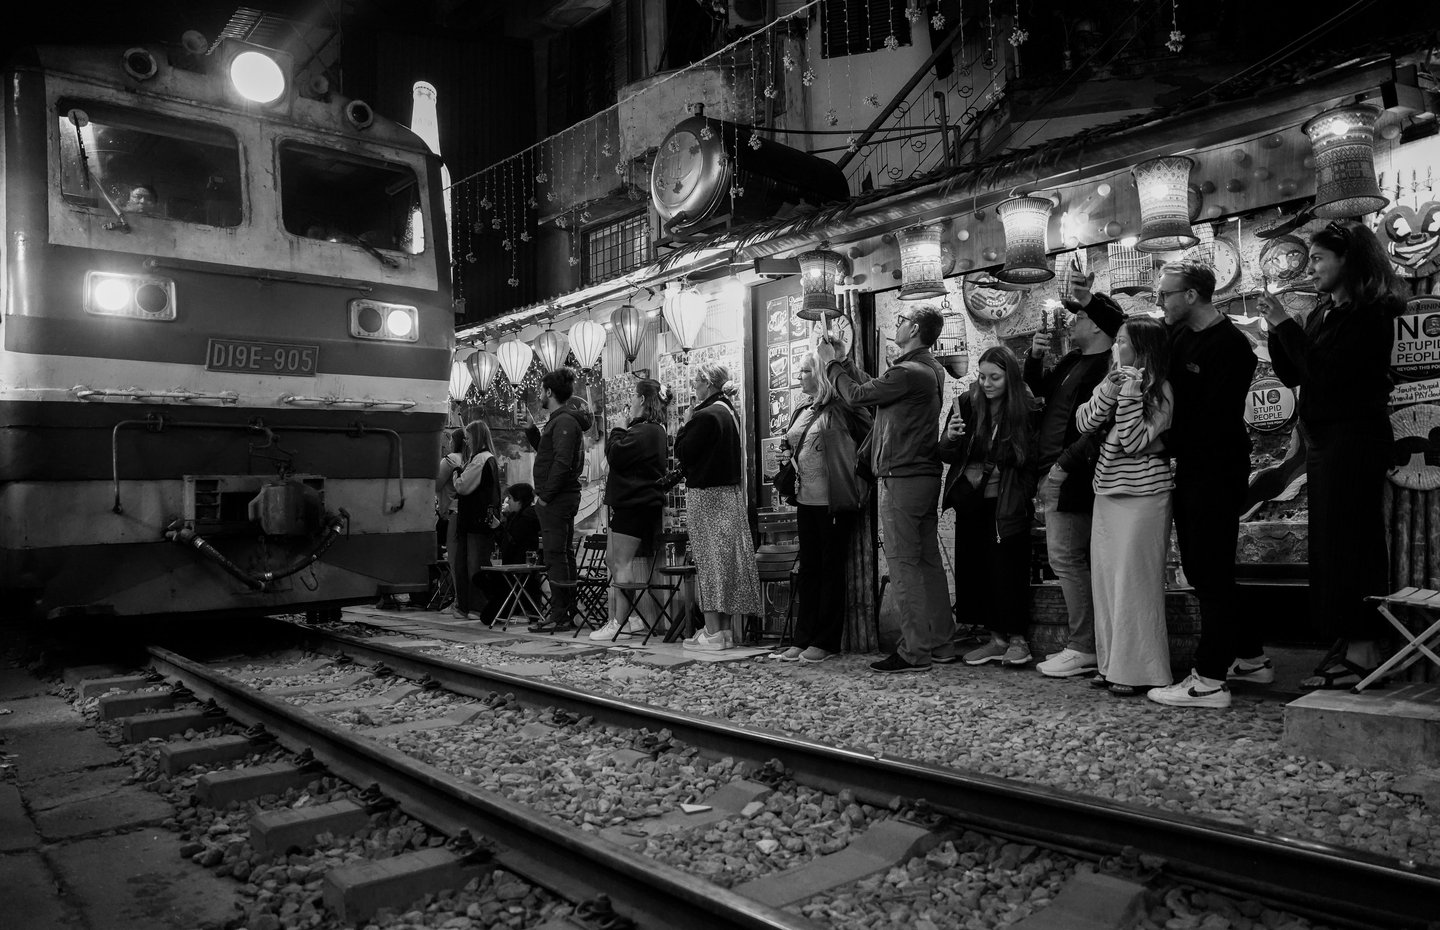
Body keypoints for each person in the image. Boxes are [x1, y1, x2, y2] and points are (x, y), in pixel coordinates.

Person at [1261, 220, 1403, 689]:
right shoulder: (1323, 313)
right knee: (1329, 545)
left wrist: (1286, 324)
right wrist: (1276, 330)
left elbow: (1327, 373)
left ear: (1348, 261)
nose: (1312, 267)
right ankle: (1347, 639)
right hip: (1324, 441)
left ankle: (1366, 647)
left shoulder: (1372, 314)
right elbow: (1291, 374)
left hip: (1356, 438)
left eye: (1320, 258)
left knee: (1353, 542)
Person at [818, 305, 952, 673]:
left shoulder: (908, 372)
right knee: (926, 561)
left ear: (917, 329)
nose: (897, 324)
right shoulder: (928, 369)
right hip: (921, 474)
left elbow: (859, 396)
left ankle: (913, 651)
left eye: (903, 321)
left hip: (903, 475)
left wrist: (831, 365)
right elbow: (876, 389)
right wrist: (845, 361)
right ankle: (940, 641)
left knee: (904, 564)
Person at [1147, 260, 1256, 710]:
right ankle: (1251, 656)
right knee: (1207, 569)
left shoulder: (1231, 346)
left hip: (1217, 469)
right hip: (1192, 465)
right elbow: (1139, 339)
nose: (1160, 302)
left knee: (1208, 571)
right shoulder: (1177, 335)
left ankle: (1209, 678)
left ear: (1191, 295)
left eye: (1166, 295)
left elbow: (1214, 419)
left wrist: (1160, 442)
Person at [1027, 284, 1125, 678]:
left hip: (1077, 471)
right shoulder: (1072, 360)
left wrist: (1064, 465)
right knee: (1069, 558)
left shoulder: (1109, 368)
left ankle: (1083, 645)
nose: (1074, 320)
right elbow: (1041, 395)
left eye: (1082, 316)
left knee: (1067, 557)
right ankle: (1089, 643)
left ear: (1101, 327)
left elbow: (1099, 426)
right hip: (1052, 467)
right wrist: (1034, 360)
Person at [1076, 317, 1176, 696]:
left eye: (1122, 341)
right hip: (1107, 492)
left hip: (1144, 495)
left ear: (1143, 348)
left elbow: (1134, 440)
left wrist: (1132, 393)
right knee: (1105, 583)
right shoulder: (1114, 381)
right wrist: (1110, 389)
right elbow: (1084, 422)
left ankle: (1140, 671)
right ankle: (1110, 663)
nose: (1116, 347)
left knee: (1135, 585)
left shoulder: (1161, 390)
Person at [940, 346, 1041, 667]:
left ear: (1009, 377)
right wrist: (953, 439)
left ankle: (1017, 640)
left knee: (1007, 570)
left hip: (1007, 501)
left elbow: (1031, 460)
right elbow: (943, 451)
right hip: (972, 500)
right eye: (982, 376)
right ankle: (995, 639)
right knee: (978, 570)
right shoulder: (967, 404)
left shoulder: (1024, 409)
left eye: (995, 377)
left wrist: (1025, 495)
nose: (987, 383)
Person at [769, 353, 872, 663]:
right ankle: (803, 637)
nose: (798, 376)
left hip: (835, 499)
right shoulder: (802, 408)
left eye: (804, 370)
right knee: (810, 570)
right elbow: (791, 444)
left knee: (831, 569)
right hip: (805, 498)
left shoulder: (844, 409)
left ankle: (826, 641)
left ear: (819, 374)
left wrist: (861, 483)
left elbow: (871, 439)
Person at [673, 363, 762, 650]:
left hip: (706, 496)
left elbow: (683, 452)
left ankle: (713, 631)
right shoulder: (729, 412)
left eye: (697, 382)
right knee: (724, 562)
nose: (694, 388)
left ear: (709, 384)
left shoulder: (706, 415)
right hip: (729, 495)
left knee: (709, 562)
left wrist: (686, 422)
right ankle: (723, 631)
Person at [592, 378, 672, 642]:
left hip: (635, 504)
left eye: (633, 396)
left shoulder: (647, 430)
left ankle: (620, 621)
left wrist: (616, 430)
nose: (630, 401)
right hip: (628, 502)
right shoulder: (647, 430)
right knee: (612, 560)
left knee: (622, 562)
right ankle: (632, 618)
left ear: (642, 400)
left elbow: (616, 455)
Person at [524, 367, 594, 633]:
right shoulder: (561, 421)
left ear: (549, 392)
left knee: (556, 555)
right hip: (560, 498)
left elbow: (562, 462)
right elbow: (551, 452)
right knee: (562, 553)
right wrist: (532, 432)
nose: (540, 395)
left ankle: (560, 614)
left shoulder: (563, 421)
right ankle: (565, 611)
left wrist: (545, 496)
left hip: (557, 499)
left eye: (542, 390)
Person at [450, 420, 501, 622]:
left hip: (473, 522)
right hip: (480, 521)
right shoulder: (489, 459)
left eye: (469, 437)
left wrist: (456, 473)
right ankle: (472, 606)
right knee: (474, 563)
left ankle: (473, 607)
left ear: (476, 437)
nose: (467, 441)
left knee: (471, 565)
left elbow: (462, 486)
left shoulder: (480, 459)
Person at [481, 482, 542, 623]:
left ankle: (514, 607)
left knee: (488, 615)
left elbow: (512, 541)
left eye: (510, 498)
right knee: (482, 578)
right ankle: (508, 606)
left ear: (519, 500)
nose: (507, 501)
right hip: (512, 565)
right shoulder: (516, 516)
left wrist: (498, 527)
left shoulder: (526, 517)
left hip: (519, 566)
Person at [435, 429, 465, 562]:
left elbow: (435, 485)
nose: (450, 443)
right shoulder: (469, 460)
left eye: (451, 440)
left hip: (448, 512)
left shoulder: (450, 459)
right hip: (462, 512)